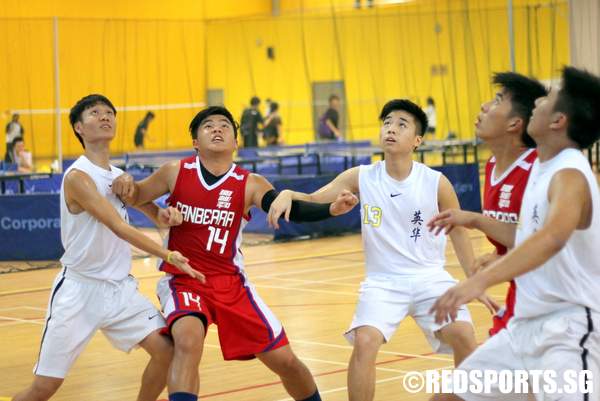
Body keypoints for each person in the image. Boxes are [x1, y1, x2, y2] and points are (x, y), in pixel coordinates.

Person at [111, 105, 359, 401]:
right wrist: (127, 183)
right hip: (184, 278)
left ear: (236, 142)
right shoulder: (174, 171)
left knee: (286, 362)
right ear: (195, 142)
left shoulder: (250, 183)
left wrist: (330, 209)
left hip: (232, 283)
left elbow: (287, 207)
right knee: (187, 342)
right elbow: (136, 195)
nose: (217, 129)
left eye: (224, 125)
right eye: (208, 126)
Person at [269, 99, 497, 401]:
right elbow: (315, 197)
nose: (391, 128)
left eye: (402, 124)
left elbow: (457, 230)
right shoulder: (362, 176)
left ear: (417, 140)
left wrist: (472, 281)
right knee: (365, 341)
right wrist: (287, 193)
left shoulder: (436, 182)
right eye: (387, 122)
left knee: (464, 335)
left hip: (430, 278)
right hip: (383, 282)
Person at [12, 94, 204, 401]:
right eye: (95, 113)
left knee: (166, 351)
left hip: (119, 292)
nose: (105, 116)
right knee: (43, 388)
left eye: (109, 112)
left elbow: (156, 215)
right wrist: (167, 255)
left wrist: (166, 216)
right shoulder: (78, 177)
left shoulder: (118, 177)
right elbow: (119, 226)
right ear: (79, 127)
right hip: (78, 292)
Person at [428, 66, 600, 401]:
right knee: (447, 398)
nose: (537, 103)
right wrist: (476, 222)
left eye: (546, 99)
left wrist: (480, 280)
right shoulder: (541, 166)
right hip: (523, 328)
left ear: (558, 121)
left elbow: (552, 237)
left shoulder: (570, 174)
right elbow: (526, 233)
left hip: (569, 330)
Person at [475, 72, 546, 336]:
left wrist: (472, 219)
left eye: (497, 100)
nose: (484, 106)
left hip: (554, 305)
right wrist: (498, 257)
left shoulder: (539, 169)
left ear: (515, 123)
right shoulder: (493, 165)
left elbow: (543, 243)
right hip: (522, 296)